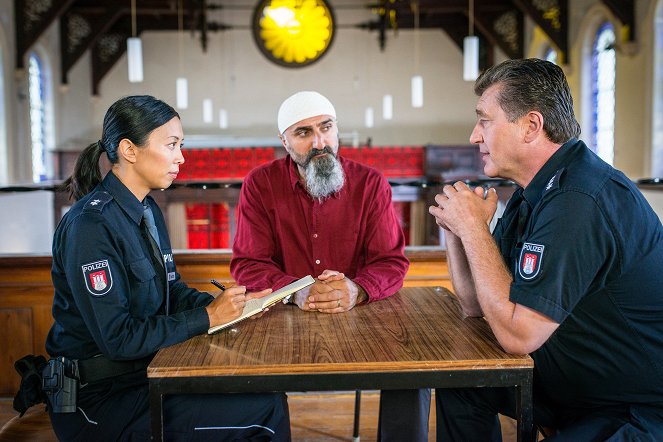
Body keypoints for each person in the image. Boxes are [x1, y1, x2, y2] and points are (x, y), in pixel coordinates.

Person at [429, 58, 663, 440]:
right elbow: (476, 306)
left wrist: (474, 228)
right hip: (577, 385)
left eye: (485, 120)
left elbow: (517, 336)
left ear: (531, 126)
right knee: (463, 381)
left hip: (634, 406)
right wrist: (457, 230)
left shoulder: (579, 199)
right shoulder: (533, 191)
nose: (474, 135)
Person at [45, 95, 290, 441]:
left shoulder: (147, 210)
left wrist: (236, 306)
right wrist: (209, 317)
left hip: (143, 377)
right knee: (263, 411)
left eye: (181, 145)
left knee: (266, 395)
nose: (181, 157)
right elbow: (118, 339)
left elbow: (170, 292)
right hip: (96, 401)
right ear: (130, 150)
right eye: (172, 144)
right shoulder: (90, 226)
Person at [230, 91, 428, 441]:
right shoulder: (260, 185)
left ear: (337, 129)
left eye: (326, 127)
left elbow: (390, 262)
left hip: (359, 320)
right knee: (242, 372)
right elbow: (248, 263)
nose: (319, 141)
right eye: (303, 133)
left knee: (412, 373)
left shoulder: (371, 184)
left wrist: (357, 288)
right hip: (285, 322)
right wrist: (296, 290)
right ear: (284, 141)